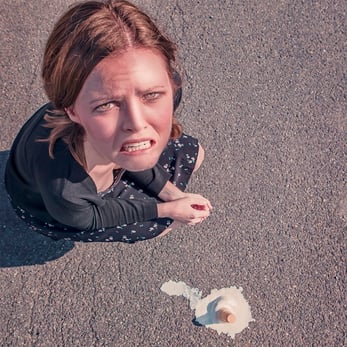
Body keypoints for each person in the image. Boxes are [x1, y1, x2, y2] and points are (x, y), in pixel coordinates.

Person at [5, 0, 212, 243]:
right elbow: (92, 216)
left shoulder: (160, 98)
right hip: (52, 207)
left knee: (195, 155)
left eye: (151, 95)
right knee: (160, 225)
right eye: (106, 104)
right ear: (71, 110)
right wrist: (167, 210)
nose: (136, 123)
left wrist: (172, 194)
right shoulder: (64, 187)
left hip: (102, 159)